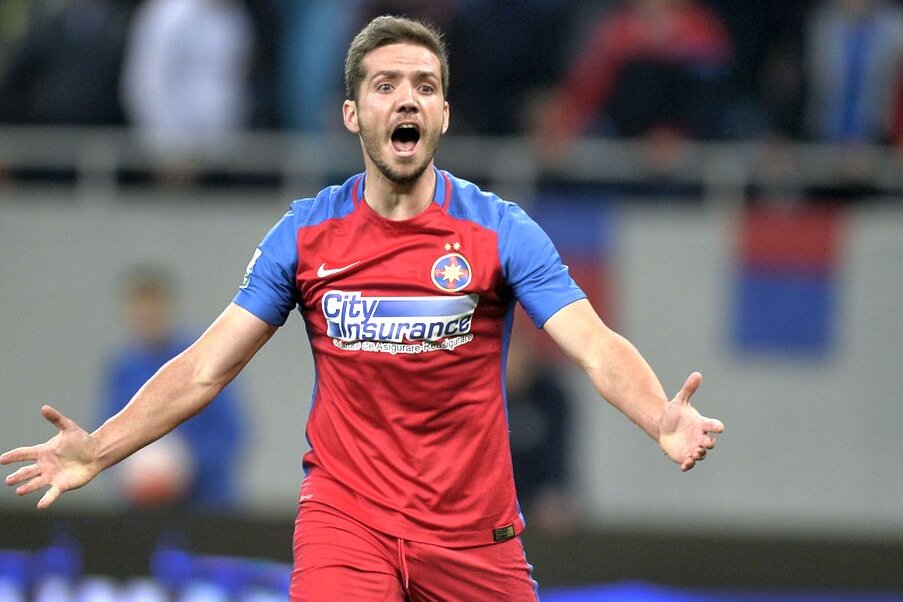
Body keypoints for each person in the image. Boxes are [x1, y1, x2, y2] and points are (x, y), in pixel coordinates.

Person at [1, 16, 724, 601]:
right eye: (385, 85)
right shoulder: (305, 235)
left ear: (443, 113)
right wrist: (99, 448)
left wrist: (656, 416)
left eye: (424, 86)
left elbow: (593, 344)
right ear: (352, 114)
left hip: (474, 538)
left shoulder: (500, 231)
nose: (406, 99)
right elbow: (203, 369)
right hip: (347, 525)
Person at [100, 265, 246, 510]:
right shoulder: (123, 370)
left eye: (153, 308)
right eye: (141, 310)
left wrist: (185, 464)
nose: (147, 317)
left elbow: (230, 433)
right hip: (141, 510)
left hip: (206, 506)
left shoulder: (203, 360)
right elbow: (106, 435)